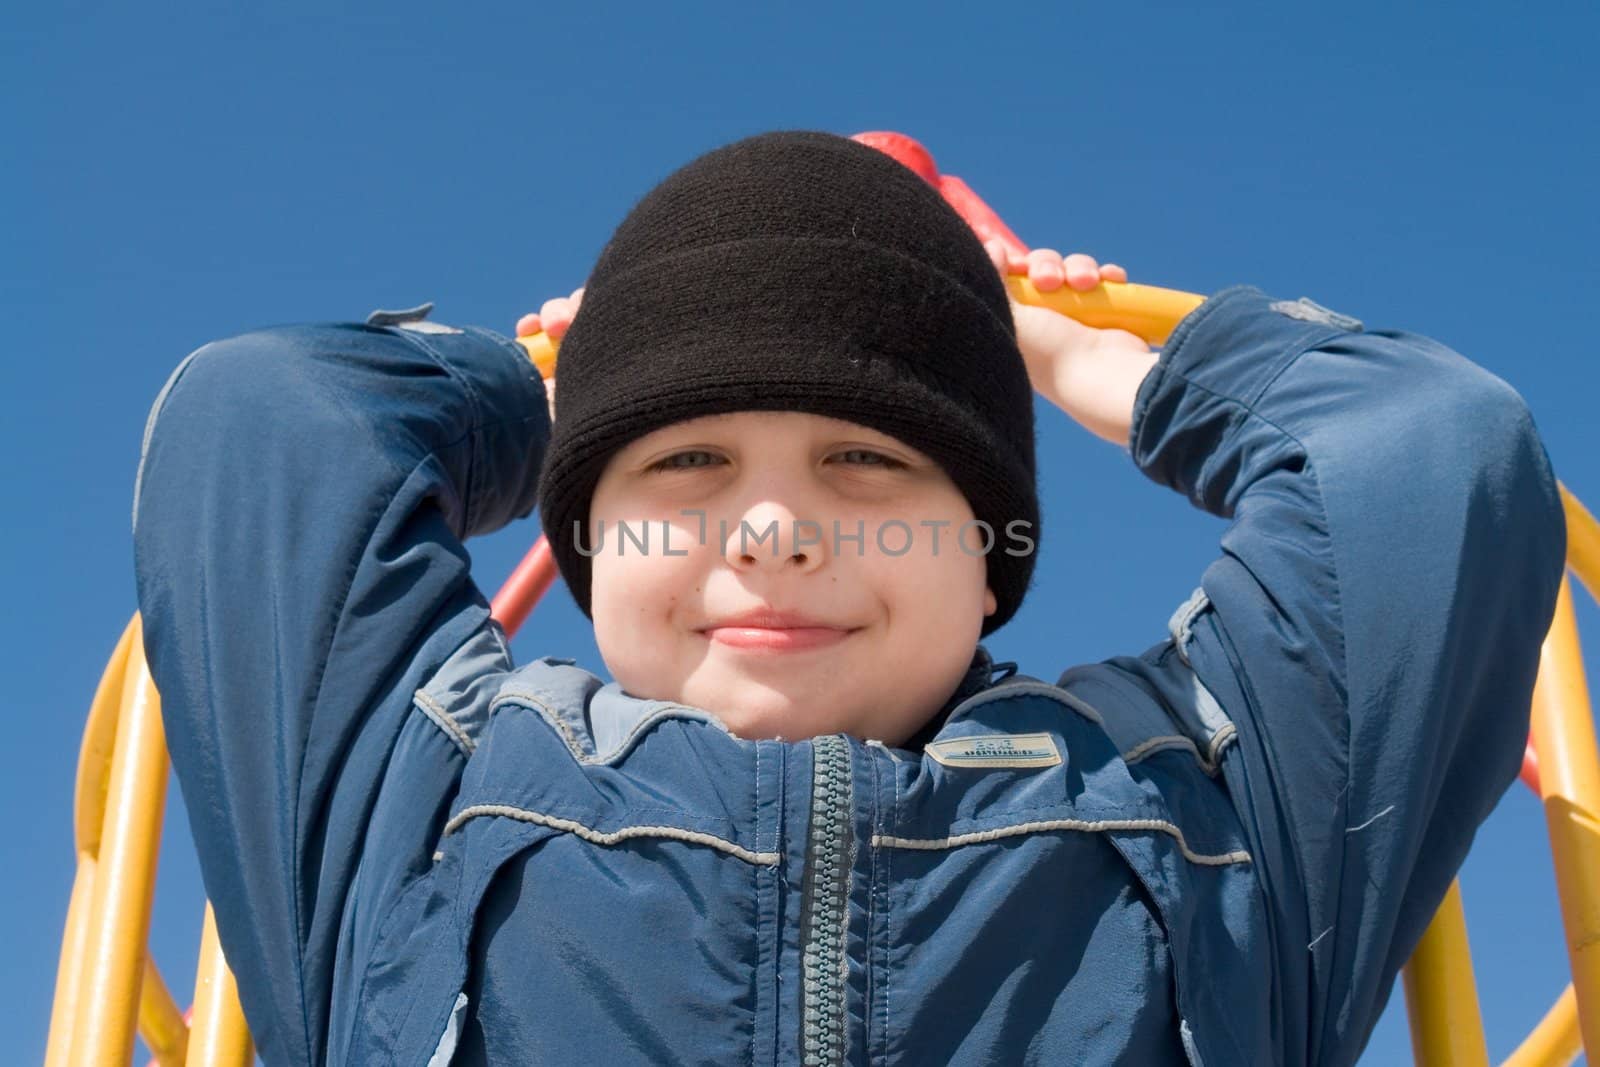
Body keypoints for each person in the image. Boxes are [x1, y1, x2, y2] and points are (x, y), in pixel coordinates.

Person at [131, 130, 1566, 1066]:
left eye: (868, 461)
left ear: (988, 546)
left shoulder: (1200, 804)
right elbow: (262, 422)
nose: (774, 530)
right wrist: (560, 383)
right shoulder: (422, 795)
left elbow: (1430, 453)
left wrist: (1067, 359)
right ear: (587, 537)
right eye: (685, 459)